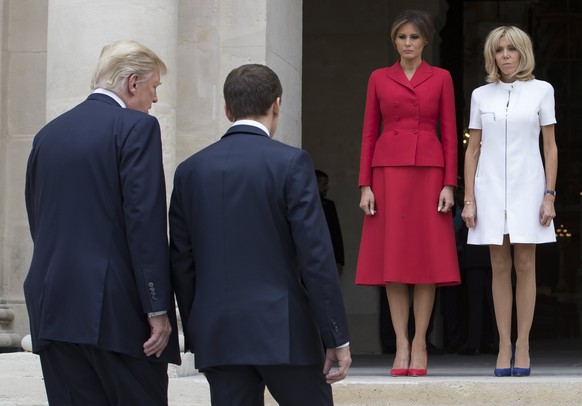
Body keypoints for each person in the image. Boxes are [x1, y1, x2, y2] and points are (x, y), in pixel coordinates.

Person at [169, 64, 351, 405]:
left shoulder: (189, 171)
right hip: (283, 331)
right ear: (277, 105)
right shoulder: (291, 163)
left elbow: (182, 261)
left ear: (227, 109)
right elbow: (316, 257)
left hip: (218, 334)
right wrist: (335, 335)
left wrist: (198, 330)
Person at [24, 40, 181, 404]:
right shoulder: (136, 128)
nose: (154, 98)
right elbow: (144, 223)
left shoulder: (47, 135)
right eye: (154, 86)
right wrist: (157, 308)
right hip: (117, 315)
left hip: (54, 308)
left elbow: (39, 220)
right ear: (133, 83)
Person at [356, 9, 460, 377]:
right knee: (395, 263)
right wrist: (365, 184)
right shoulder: (378, 78)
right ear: (394, 41)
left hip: (430, 173)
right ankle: (400, 344)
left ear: (425, 41)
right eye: (402, 37)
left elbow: (450, 132)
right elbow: (369, 132)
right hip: (387, 173)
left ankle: (420, 343)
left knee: (426, 262)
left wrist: (451, 182)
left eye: (414, 37)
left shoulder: (442, 77)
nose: (408, 43)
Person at [462, 26, 558, 377]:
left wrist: (549, 194)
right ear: (492, 55)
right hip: (489, 188)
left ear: (523, 53)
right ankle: (504, 344)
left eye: (511, 49)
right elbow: (472, 149)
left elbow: (550, 147)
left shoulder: (542, 91)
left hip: (528, 186)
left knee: (526, 264)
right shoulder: (480, 95)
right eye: (499, 49)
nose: (505, 55)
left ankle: (523, 344)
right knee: (498, 266)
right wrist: (469, 198)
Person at [315, 169, 345, 273]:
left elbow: (336, 233)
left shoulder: (329, 205)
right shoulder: (303, 205)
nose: (327, 187)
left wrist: (339, 260)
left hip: (327, 258)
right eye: (324, 184)